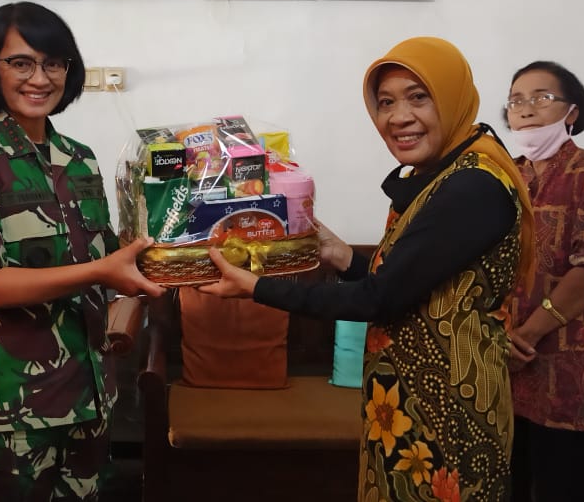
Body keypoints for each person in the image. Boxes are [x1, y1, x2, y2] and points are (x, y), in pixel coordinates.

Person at [199, 36, 535, 501]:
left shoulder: (472, 186)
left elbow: (378, 298)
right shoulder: (445, 174)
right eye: (385, 102)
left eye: (418, 97)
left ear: (453, 96)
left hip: (446, 414)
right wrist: (339, 254)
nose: (398, 117)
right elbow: (410, 286)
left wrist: (258, 288)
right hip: (413, 406)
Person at [0, 2, 164, 501]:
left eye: (53, 63)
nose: (40, 78)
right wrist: (100, 270)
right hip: (9, 408)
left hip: (90, 394)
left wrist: (184, 248)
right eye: (21, 63)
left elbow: (108, 252)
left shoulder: (79, 160)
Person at [502, 61, 584, 502]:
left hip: (573, 367)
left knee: (566, 487)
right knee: (508, 483)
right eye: (516, 100)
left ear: (572, 112)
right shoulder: (504, 176)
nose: (526, 109)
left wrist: (526, 335)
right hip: (506, 364)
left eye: (541, 98)